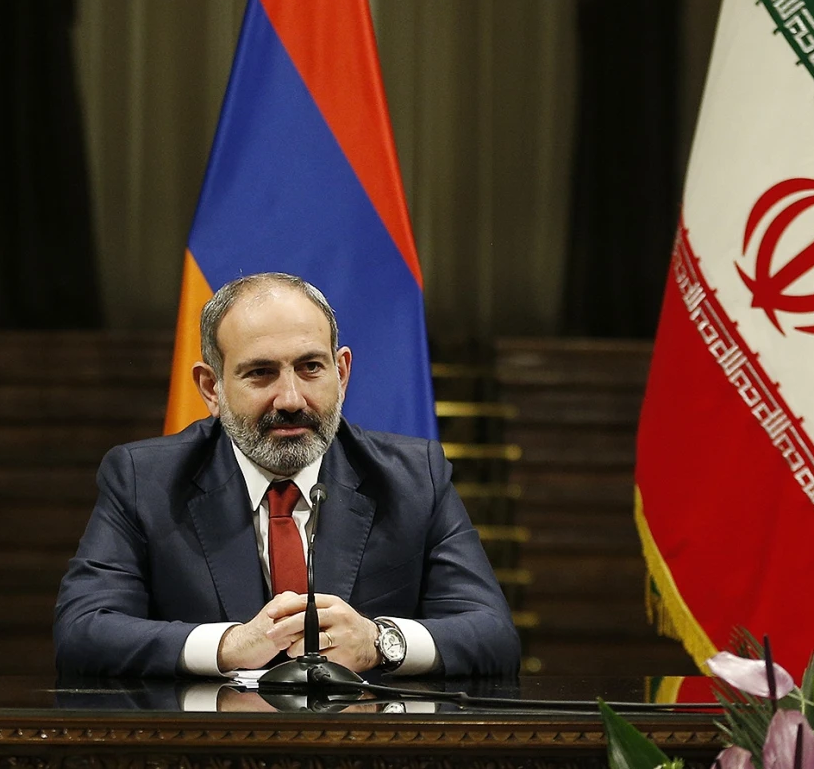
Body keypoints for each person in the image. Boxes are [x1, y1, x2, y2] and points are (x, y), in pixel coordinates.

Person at [55, 273, 520, 677]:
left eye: (310, 367)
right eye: (261, 373)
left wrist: (379, 641)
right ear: (211, 388)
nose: (291, 399)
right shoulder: (144, 479)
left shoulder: (414, 476)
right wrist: (227, 646)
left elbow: (492, 633)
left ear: (341, 372)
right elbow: (83, 630)